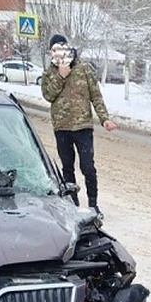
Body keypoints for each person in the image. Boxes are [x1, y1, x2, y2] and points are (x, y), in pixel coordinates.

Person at [41, 34, 116, 217]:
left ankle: (93, 204)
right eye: (53, 51)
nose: (56, 54)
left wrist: (104, 118)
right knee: (67, 167)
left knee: (88, 167)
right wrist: (60, 76)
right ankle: (73, 206)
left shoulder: (83, 68)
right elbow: (48, 95)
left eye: (59, 49)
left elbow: (95, 96)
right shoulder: (49, 73)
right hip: (62, 128)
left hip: (83, 126)